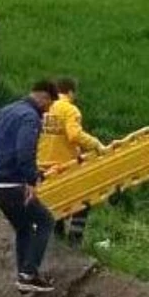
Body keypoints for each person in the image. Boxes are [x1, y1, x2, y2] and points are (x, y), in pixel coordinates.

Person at [0, 80, 59, 293]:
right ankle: (28, 274)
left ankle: (25, 283)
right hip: (11, 184)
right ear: (44, 97)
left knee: (24, 227)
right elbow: (25, 151)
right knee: (45, 221)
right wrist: (32, 180)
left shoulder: (7, 109)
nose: (47, 112)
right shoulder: (29, 117)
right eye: (49, 105)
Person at [37, 77, 108, 246]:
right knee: (84, 198)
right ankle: (74, 241)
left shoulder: (44, 107)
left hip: (40, 164)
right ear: (70, 92)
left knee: (55, 202)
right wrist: (96, 144)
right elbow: (74, 135)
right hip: (63, 167)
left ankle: (57, 237)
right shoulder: (70, 110)